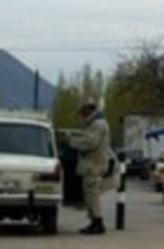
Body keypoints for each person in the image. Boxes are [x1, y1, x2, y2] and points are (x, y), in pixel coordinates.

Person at [68, 98, 118, 235]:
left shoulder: (97, 125)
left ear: (88, 109)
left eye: (83, 112)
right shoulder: (96, 124)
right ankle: (94, 222)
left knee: (93, 195)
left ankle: (97, 223)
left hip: (94, 165)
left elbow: (90, 143)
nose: (82, 115)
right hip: (93, 164)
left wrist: (71, 142)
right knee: (91, 195)